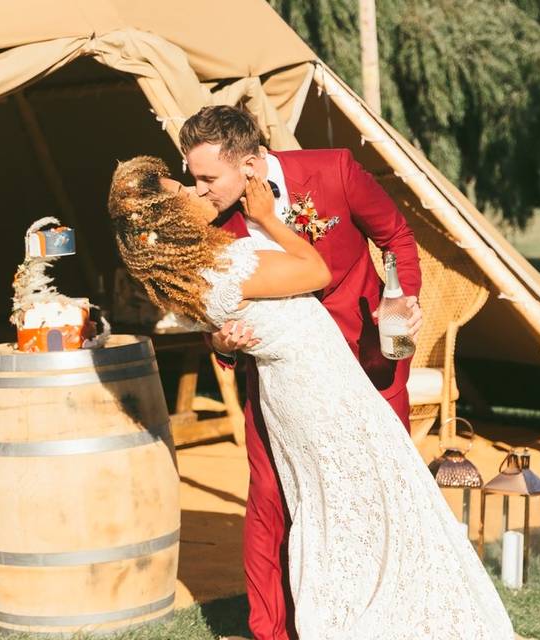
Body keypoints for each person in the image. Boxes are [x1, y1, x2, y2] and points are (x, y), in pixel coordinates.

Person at [108, 156, 514, 640]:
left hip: (308, 388)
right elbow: (316, 270)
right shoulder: (225, 263)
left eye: (198, 182)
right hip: (322, 392)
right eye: (183, 190)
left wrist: (221, 341)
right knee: (367, 498)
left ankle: (367, 605)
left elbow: (229, 324)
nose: (197, 193)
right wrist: (267, 220)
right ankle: (367, 617)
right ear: (170, 220)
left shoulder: (189, 274)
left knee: (337, 504)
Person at [180, 106, 422, 639]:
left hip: (368, 359)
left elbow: (397, 238)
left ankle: (391, 613)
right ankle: (273, 630)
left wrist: (403, 298)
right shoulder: (213, 223)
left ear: (250, 165)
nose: (195, 190)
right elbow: (215, 311)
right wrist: (220, 343)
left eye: (205, 178)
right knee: (270, 499)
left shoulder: (334, 170)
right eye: (189, 175)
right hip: (281, 380)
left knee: (383, 489)